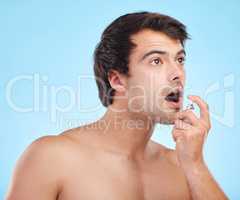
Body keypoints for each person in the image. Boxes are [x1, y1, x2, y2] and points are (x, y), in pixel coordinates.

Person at [6, 11, 228, 200]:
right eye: (156, 61)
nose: (177, 74)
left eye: (179, 59)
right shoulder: (52, 157)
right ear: (117, 80)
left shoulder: (183, 167)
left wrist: (196, 164)